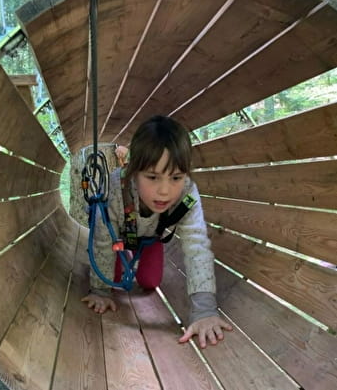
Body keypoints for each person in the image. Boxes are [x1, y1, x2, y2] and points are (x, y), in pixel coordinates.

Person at [82, 115, 232, 348]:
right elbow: (102, 240)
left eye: (176, 177)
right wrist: (100, 290)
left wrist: (204, 309)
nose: (164, 191)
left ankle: (134, 258)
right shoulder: (113, 188)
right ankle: (121, 264)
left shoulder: (187, 193)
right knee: (114, 279)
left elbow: (197, 246)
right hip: (117, 238)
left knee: (150, 282)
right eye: (152, 177)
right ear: (134, 172)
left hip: (151, 238)